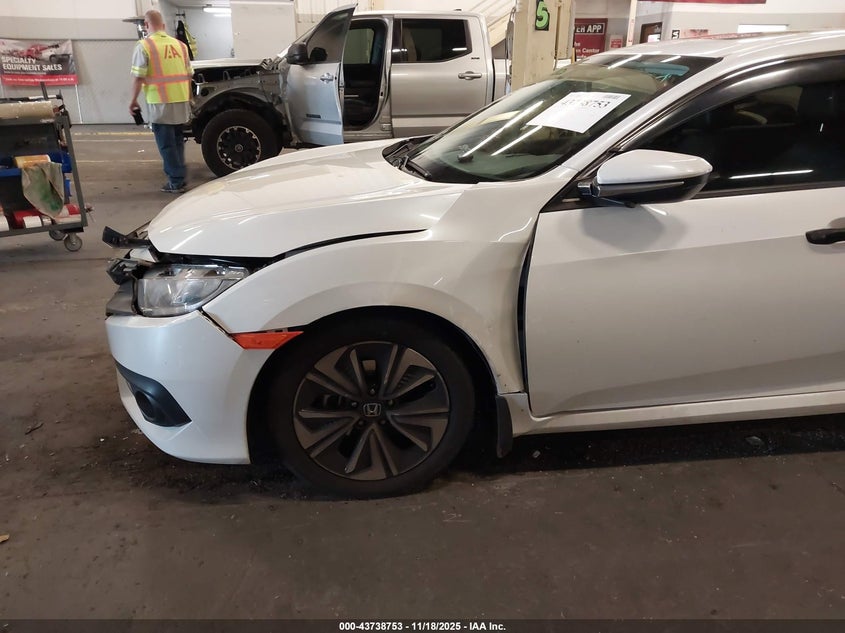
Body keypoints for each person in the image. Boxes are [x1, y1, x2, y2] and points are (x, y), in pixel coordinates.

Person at [129, 10, 192, 193]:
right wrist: (189, 99)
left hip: (160, 102)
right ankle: (179, 177)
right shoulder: (181, 45)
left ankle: (176, 181)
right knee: (177, 142)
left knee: (166, 144)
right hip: (181, 99)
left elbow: (138, 78)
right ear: (163, 26)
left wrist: (133, 101)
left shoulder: (144, 45)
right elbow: (189, 75)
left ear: (146, 25)